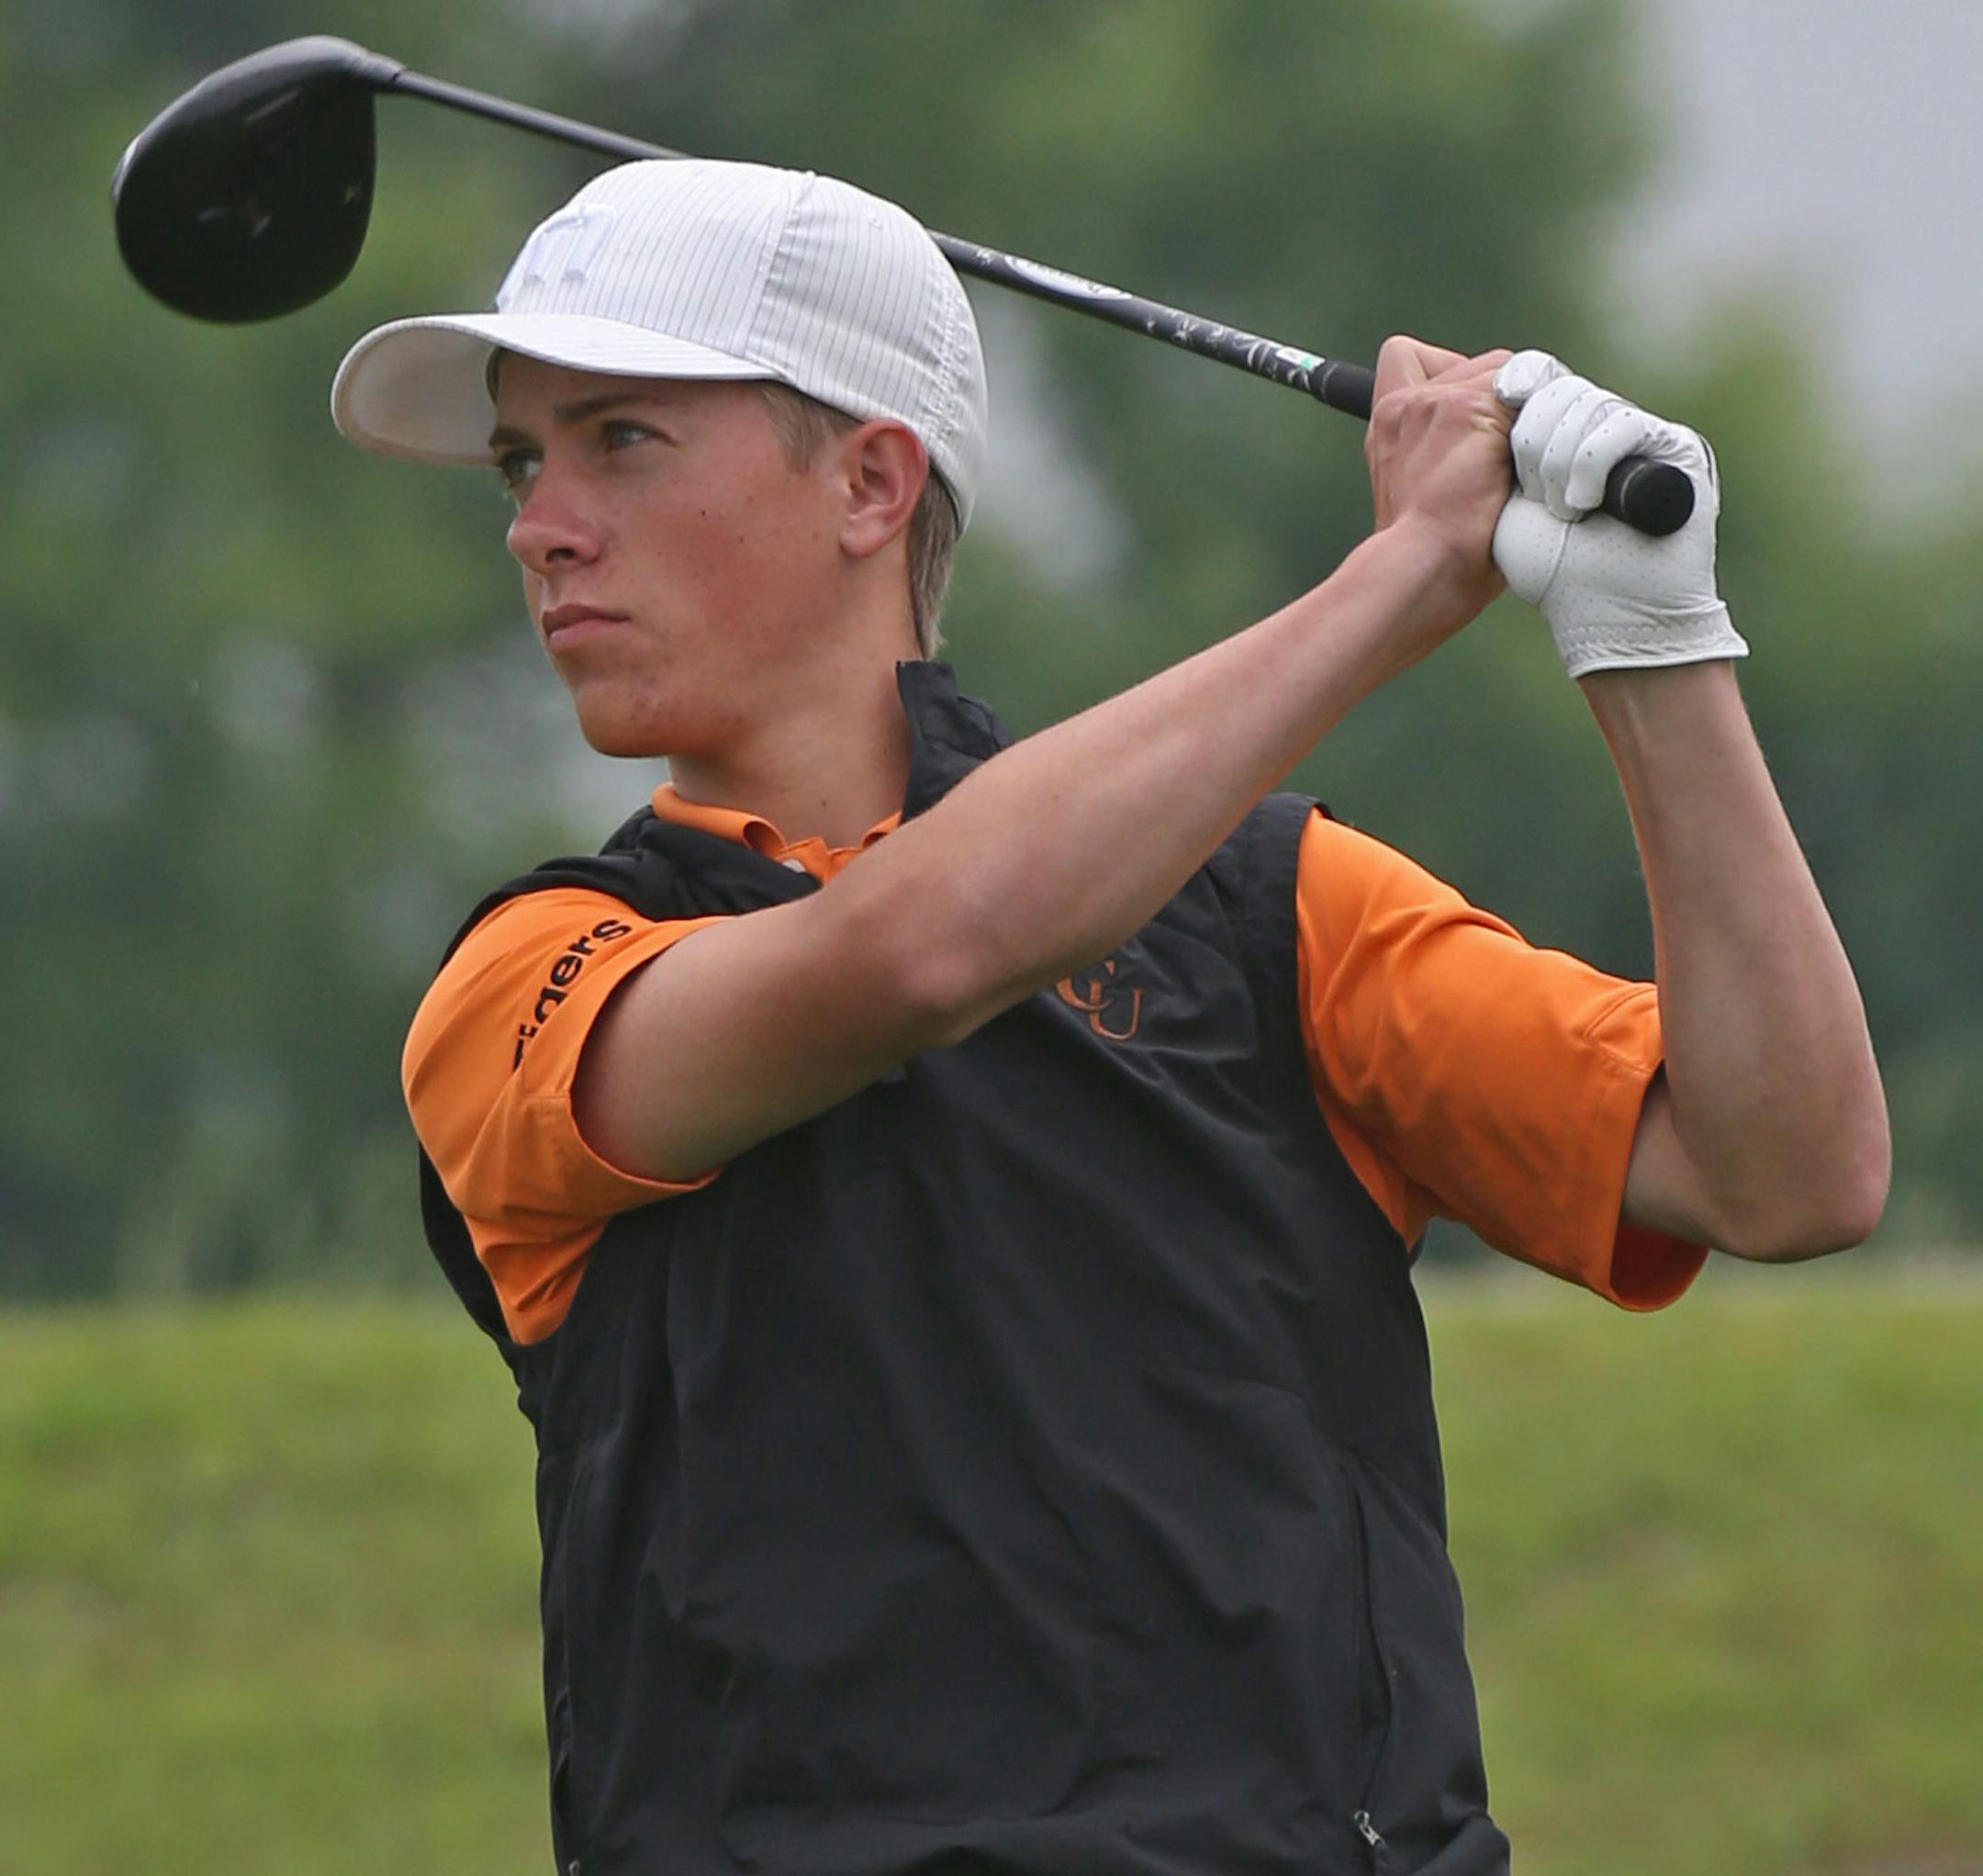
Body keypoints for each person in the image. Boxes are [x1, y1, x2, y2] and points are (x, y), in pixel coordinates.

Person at [331, 158, 1888, 1875]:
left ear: (869, 481)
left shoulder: (1274, 914)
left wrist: (1652, 636)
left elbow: (1789, 1168)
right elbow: (913, 955)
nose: (539, 524)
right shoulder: (533, 981)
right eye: (519, 460)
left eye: (618, 439)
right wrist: (1408, 578)